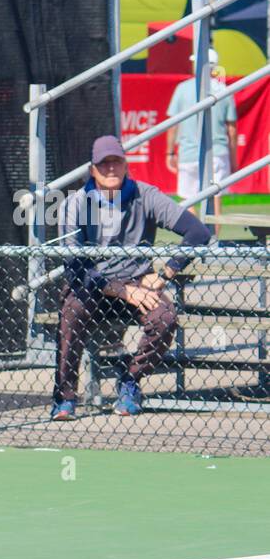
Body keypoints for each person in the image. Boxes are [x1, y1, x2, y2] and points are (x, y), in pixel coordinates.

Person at [50, 135, 213, 420]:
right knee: (71, 312)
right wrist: (121, 290)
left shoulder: (145, 195)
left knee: (164, 318)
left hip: (139, 282)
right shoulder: (75, 204)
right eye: (104, 164)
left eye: (117, 162)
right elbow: (75, 267)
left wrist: (165, 273)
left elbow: (198, 232)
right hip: (94, 286)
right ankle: (65, 398)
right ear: (92, 170)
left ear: (126, 165)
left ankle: (130, 379)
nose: (111, 169)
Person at [166, 48, 237, 216]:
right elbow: (232, 130)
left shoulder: (182, 89)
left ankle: (200, 237)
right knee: (216, 197)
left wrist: (170, 153)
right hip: (217, 153)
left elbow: (173, 125)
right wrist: (233, 159)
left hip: (189, 153)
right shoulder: (223, 90)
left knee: (187, 199)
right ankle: (214, 239)